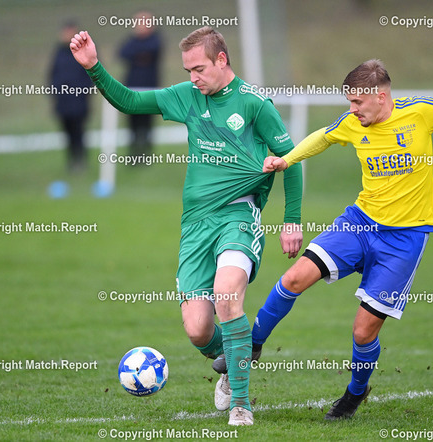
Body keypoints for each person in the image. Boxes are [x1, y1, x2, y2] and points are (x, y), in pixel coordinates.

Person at [70, 26, 303, 426]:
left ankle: (241, 405)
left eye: (199, 69)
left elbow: (291, 159)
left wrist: (292, 222)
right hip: (195, 225)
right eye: (188, 71)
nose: (193, 78)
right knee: (197, 330)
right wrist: (93, 66)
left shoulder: (254, 104)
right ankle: (232, 356)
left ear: (221, 60)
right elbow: (129, 101)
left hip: (237, 215)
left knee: (226, 297)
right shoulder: (187, 96)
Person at [247, 59, 433, 421]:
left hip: (404, 240)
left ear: (381, 97)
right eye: (350, 101)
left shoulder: (419, 112)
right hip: (359, 223)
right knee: (294, 278)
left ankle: (356, 392)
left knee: (362, 332)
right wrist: (286, 160)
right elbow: (323, 137)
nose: (352, 109)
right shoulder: (353, 123)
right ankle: (250, 346)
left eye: (357, 102)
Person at [49, 20, 94, 172]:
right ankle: (71, 162)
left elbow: (92, 75)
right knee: (67, 134)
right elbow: (53, 74)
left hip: (79, 102)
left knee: (79, 133)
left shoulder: (84, 51)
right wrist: (55, 92)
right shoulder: (59, 52)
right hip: (63, 103)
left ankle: (81, 161)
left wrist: (81, 91)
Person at [118, 10, 163, 157]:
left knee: (146, 123)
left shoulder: (155, 40)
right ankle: (134, 153)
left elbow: (152, 51)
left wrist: (138, 54)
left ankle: (145, 153)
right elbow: (122, 53)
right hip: (132, 88)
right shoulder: (132, 41)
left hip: (149, 89)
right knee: (133, 123)